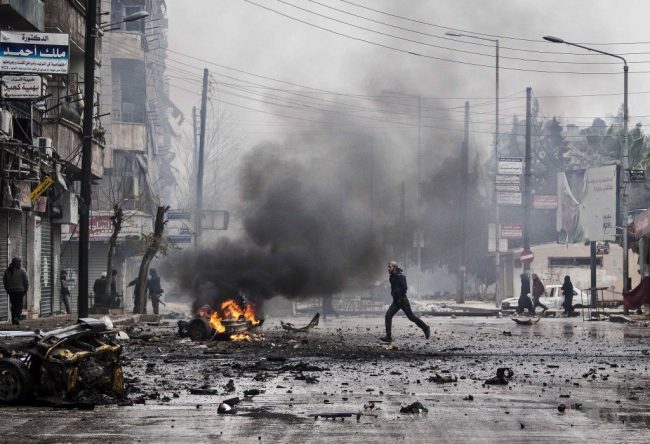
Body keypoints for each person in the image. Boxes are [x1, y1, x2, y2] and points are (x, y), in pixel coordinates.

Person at [379, 261, 430, 343]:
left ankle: (425, 328)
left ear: (394, 268)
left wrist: (396, 292)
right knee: (388, 316)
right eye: (388, 267)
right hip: (396, 301)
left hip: (403, 301)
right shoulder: (392, 277)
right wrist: (393, 293)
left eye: (390, 267)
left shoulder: (400, 276)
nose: (388, 269)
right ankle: (388, 337)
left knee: (411, 317)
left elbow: (405, 288)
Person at [3, 257, 28, 325]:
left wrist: (7, 289)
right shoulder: (22, 270)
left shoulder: (7, 271)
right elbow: (26, 281)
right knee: (19, 305)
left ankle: (14, 318)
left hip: (11, 291)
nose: (19, 263)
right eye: (19, 262)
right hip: (20, 291)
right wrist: (26, 289)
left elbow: (5, 281)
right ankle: (16, 317)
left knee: (13, 305)